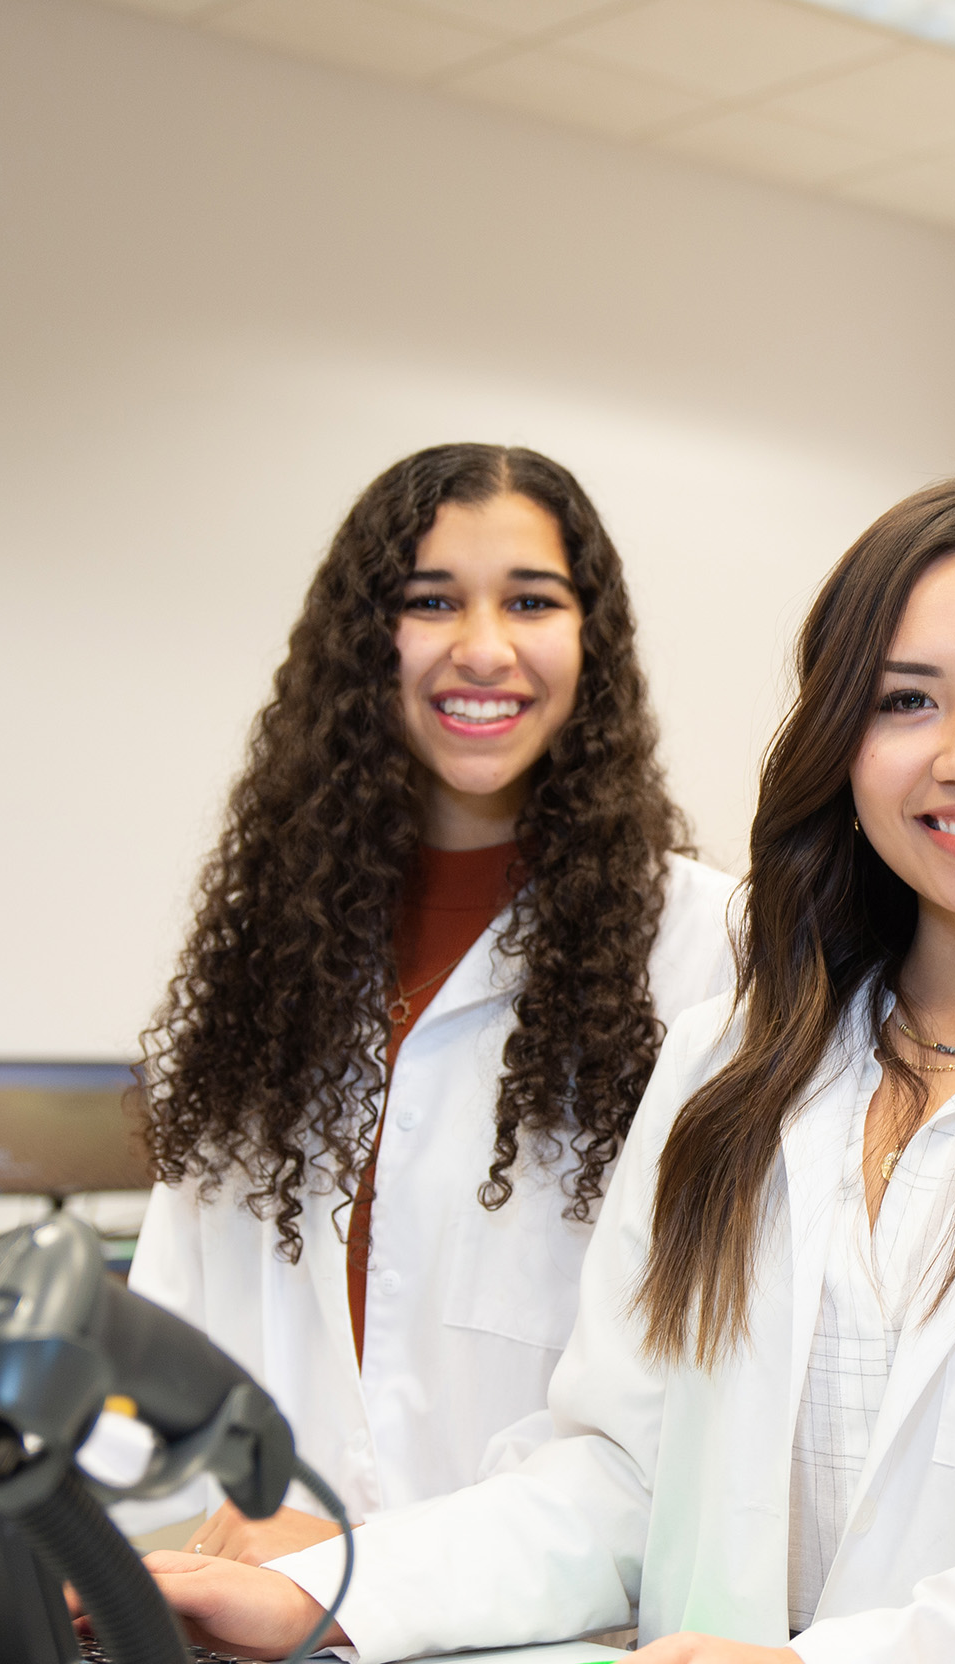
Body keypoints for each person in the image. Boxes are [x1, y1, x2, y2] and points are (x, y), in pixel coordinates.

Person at [141, 476, 955, 1664]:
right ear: (842, 747)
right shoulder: (729, 1066)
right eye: (904, 700)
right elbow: (615, 1476)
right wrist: (327, 1593)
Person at [129, 444, 737, 1562]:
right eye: (431, 602)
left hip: (541, 1634)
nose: (484, 648)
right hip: (265, 1624)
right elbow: (173, 1327)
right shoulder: (272, 956)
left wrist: (370, 1566)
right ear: (366, 640)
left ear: (589, 639)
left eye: (530, 601)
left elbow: (682, 1392)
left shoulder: (705, 951)